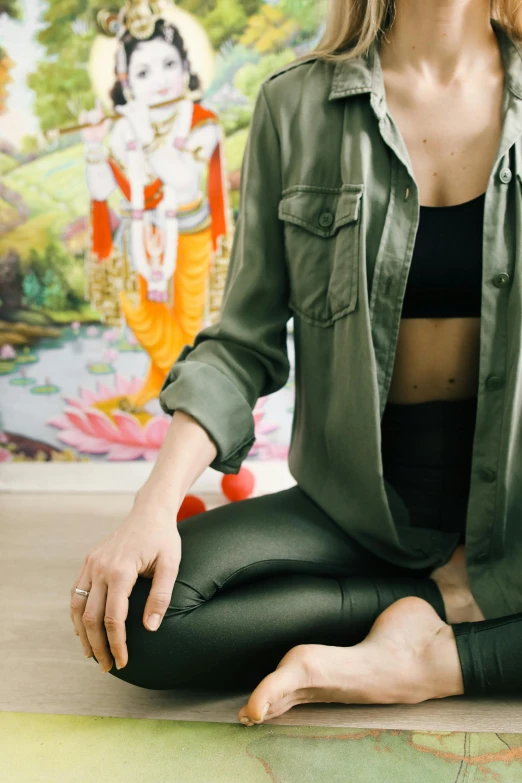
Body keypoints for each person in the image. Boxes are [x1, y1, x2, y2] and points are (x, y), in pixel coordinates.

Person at [70, 0, 522, 727]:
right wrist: (150, 505)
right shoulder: (297, 105)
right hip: (357, 511)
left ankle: (432, 659)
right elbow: (243, 341)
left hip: (516, 506)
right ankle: (455, 602)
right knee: (135, 618)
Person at [81, 13, 228, 406]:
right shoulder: (123, 127)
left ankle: (167, 385)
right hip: (138, 234)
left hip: (190, 230)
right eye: (144, 72)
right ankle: (184, 384)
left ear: (186, 68)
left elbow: (181, 178)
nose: (161, 79)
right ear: (126, 82)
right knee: (138, 310)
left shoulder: (203, 123)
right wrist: (96, 145)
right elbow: (101, 190)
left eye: (169, 65)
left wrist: (144, 131)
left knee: (187, 317)